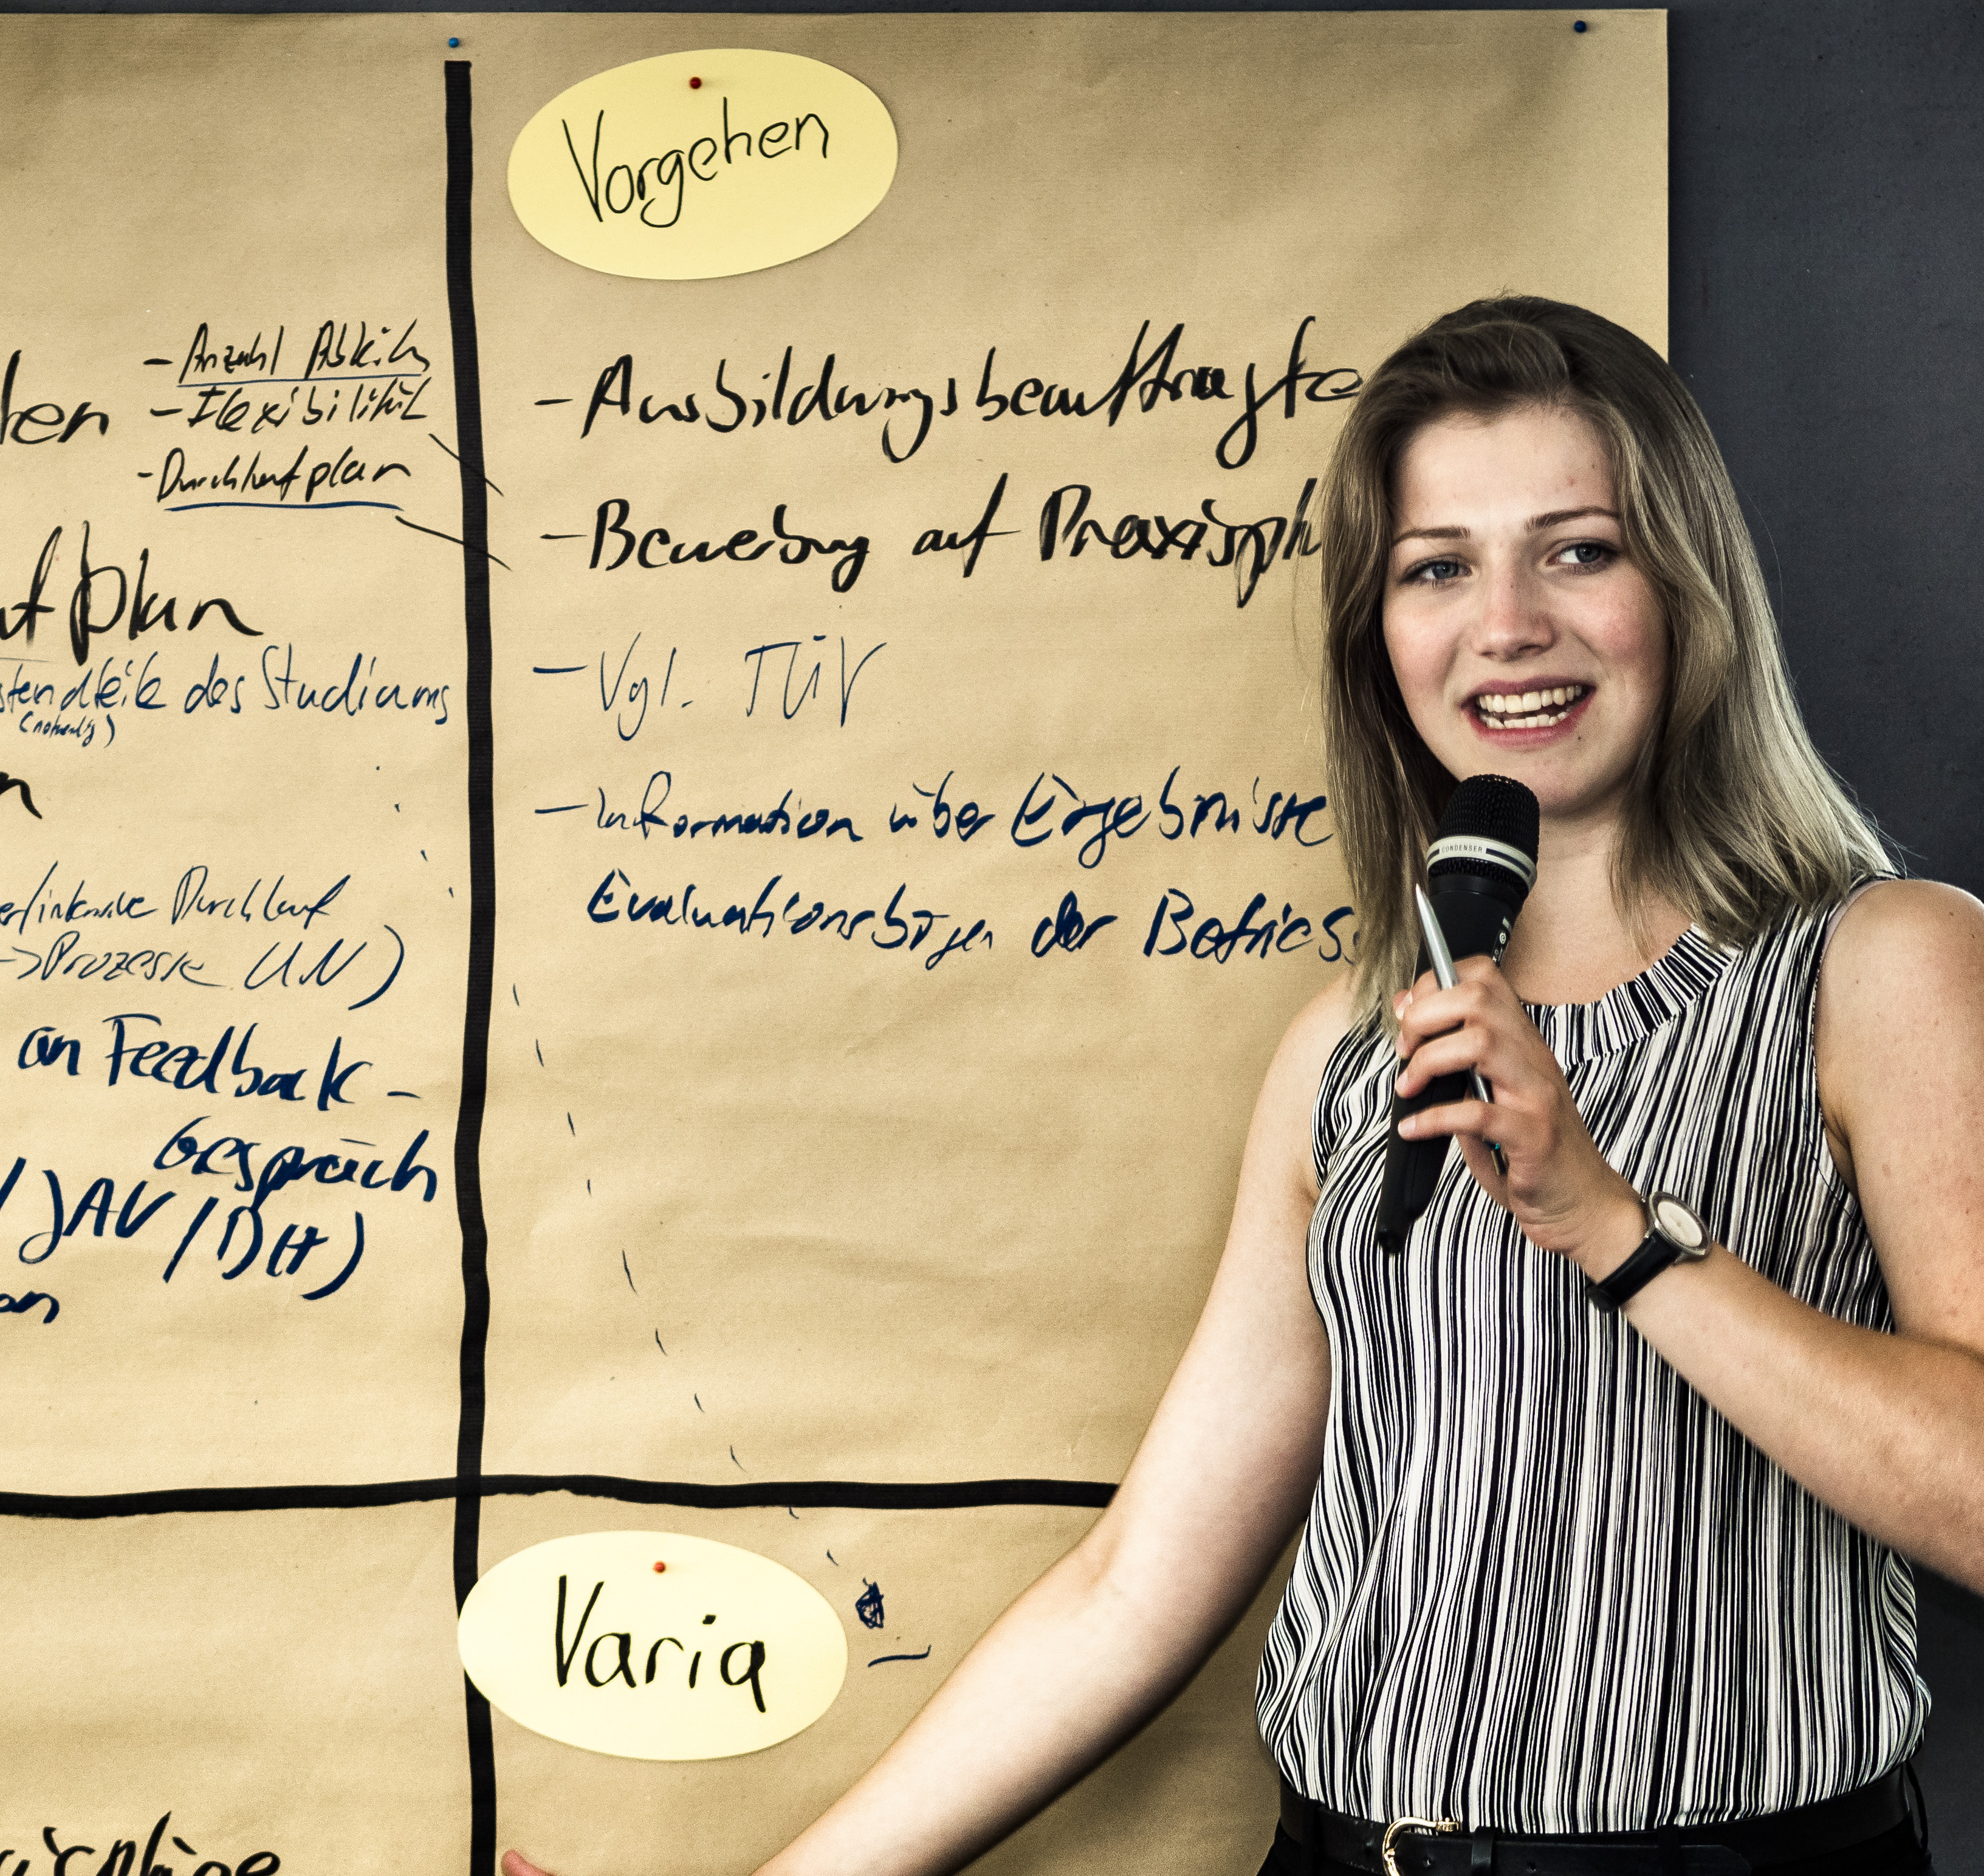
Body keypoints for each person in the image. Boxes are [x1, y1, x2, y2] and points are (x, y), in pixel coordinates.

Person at [507, 298, 1984, 1876]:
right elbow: (1137, 1588)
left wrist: (1611, 1227)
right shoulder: (1344, 1049)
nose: (1507, 625)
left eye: (1579, 552)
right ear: (1379, 639)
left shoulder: (1883, 964)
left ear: (1686, 591)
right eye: (1437, 569)